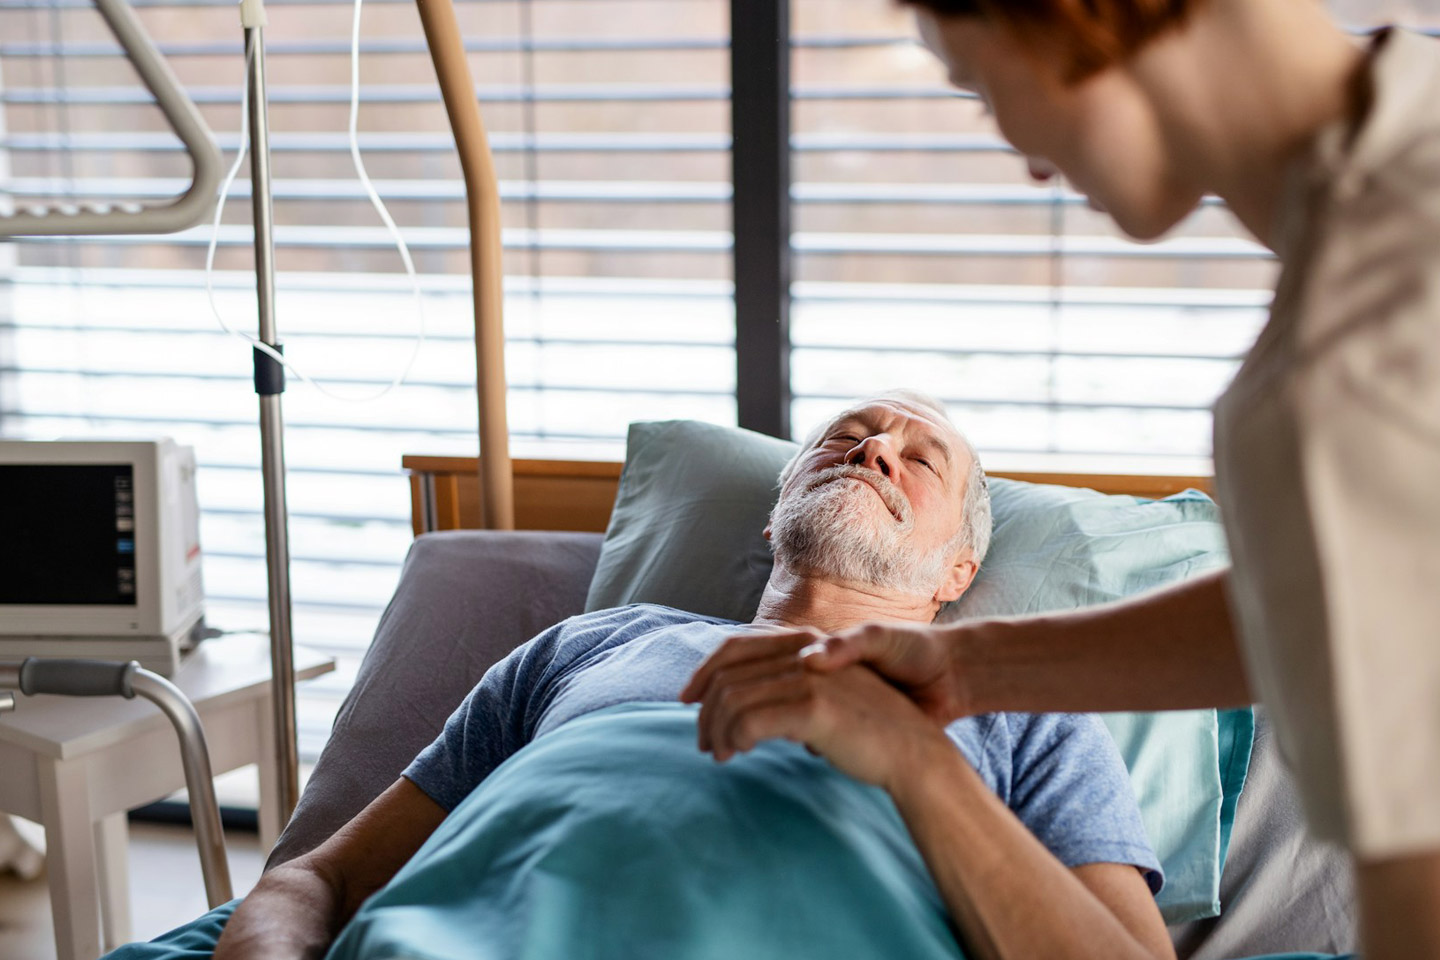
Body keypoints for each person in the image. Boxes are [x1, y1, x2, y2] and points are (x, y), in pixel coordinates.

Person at [683, 4, 1440, 959]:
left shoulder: (1350, 355)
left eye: (983, 86)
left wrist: (928, 756)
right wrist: (965, 670)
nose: (1028, 158)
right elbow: (1337, 606)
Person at [208, 392, 1173, 960]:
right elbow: (316, 879)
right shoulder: (590, 645)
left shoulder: (1019, 707)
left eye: (919, 460)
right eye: (843, 440)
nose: (873, 447)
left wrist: (921, 768)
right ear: (774, 515)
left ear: (958, 573)